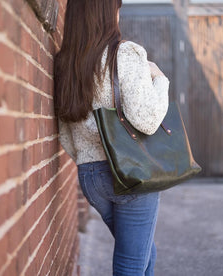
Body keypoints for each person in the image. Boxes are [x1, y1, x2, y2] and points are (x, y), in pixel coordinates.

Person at [54, 0, 170, 275]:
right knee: (131, 265)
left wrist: (87, 160)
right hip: (130, 175)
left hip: (91, 178)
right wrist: (161, 79)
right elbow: (149, 120)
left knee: (144, 254)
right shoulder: (125, 54)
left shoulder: (65, 63)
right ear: (108, 11)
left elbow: (65, 133)